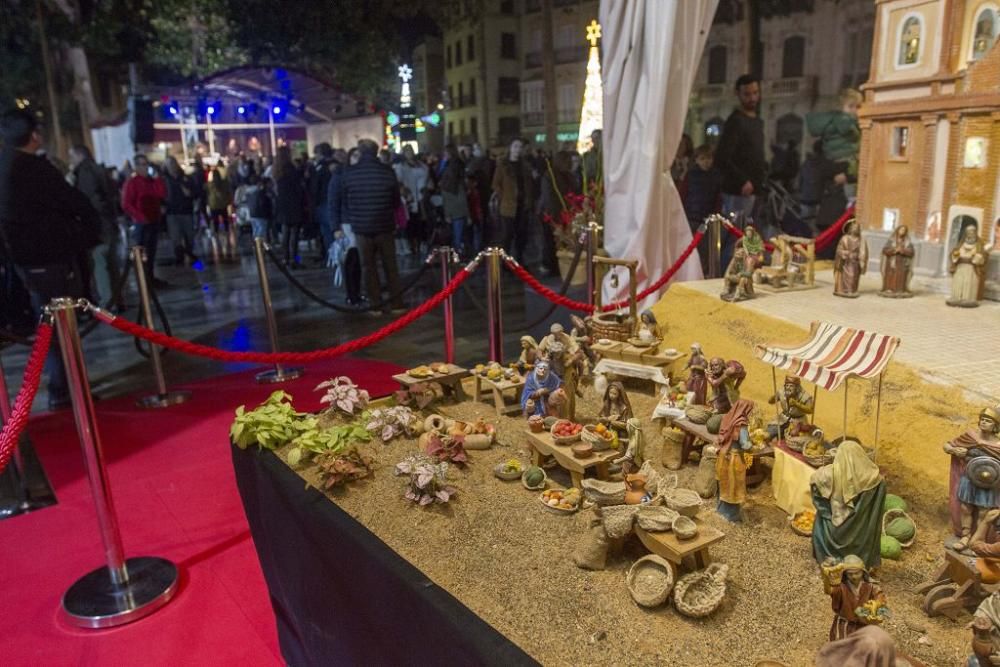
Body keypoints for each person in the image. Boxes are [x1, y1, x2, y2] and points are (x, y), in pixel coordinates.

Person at [0, 109, 101, 409]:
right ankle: (66, 390)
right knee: (59, 326)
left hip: (23, 260)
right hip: (48, 257)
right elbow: (73, 201)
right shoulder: (32, 168)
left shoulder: (6, 165)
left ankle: (64, 387)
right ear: (33, 136)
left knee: (49, 323)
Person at [332, 139, 403, 314]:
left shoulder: (350, 174)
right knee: (390, 265)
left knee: (368, 267)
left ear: (361, 152)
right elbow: (396, 200)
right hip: (385, 224)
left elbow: (345, 201)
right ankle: (396, 303)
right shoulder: (387, 172)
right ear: (376, 152)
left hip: (361, 226)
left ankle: (375, 304)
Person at [811, 441, 887, 569]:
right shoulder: (874, 479)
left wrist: (827, 512)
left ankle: (829, 556)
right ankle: (857, 561)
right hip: (860, 531)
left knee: (820, 520)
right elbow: (877, 506)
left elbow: (815, 484)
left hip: (833, 528)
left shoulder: (827, 474)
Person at [68, 145, 120, 309]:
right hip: (108, 222)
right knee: (111, 264)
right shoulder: (99, 169)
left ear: (79, 155)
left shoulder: (85, 173)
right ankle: (117, 299)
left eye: (72, 156)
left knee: (100, 264)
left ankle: (108, 301)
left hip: (98, 224)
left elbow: (91, 200)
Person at [944, 406, 1000, 549]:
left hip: (988, 485)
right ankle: (965, 537)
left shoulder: (998, 445)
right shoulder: (970, 437)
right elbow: (947, 445)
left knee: (983, 513)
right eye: (982, 419)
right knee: (965, 508)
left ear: (995, 426)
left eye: (988, 421)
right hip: (969, 480)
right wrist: (955, 450)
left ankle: (978, 542)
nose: (983, 422)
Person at [715, 74, 766, 229]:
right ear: (738, 94)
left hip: (754, 190)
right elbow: (722, 157)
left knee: (747, 236)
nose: (752, 98)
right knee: (734, 235)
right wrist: (742, 181)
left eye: (755, 93)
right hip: (738, 193)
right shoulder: (735, 122)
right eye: (747, 94)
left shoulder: (757, 121)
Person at [121, 153, 167, 286]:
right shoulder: (132, 183)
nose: (145, 167)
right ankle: (144, 280)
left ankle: (150, 278)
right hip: (142, 223)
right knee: (143, 253)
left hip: (153, 220)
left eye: (146, 164)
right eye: (142, 164)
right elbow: (126, 204)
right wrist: (140, 217)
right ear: (136, 166)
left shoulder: (151, 181)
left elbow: (161, 194)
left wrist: (158, 179)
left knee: (151, 252)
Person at [820, 554, 888, 641]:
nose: (854, 576)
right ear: (845, 574)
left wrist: (876, 606)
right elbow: (829, 591)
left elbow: (880, 597)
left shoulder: (870, 586)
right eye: (850, 574)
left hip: (864, 624)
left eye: (857, 573)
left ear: (863, 572)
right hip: (845, 624)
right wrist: (826, 579)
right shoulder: (842, 587)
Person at [491, 137, 535, 265]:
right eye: (515, 146)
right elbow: (495, 184)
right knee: (507, 235)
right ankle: (504, 261)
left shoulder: (525, 166)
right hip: (508, 206)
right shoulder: (503, 164)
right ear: (510, 148)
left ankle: (519, 260)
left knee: (521, 235)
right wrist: (504, 196)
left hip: (523, 205)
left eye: (520, 147)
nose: (517, 150)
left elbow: (529, 184)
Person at [327, 150, 362, 306]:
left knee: (358, 260)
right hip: (346, 222)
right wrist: (335, 227)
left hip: (359, 221)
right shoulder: (339, 176)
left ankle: (357, 292)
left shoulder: (358, 175)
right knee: (351, 258)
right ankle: (352, 293)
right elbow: (333, 203)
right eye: (354, 156)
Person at [714, 399, 756, 522]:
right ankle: (730, 515)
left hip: (723, 456)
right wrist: (752, 445)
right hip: (734, 458)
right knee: (733, 486)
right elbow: (745, 444)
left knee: (723, 483)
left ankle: (720, 509)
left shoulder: (727, 419)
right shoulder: (741, 424)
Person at [683, 145, 722, 275]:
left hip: (706, 218)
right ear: (697, 160)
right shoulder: (691, 175)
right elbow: (683, 194)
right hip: (690, 217)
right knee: (689, 249)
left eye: (709, 158)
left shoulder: (716, 176)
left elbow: (717, 198)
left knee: (705, 251)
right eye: (703, 158)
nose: (706, 161)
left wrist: (716, 213)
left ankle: (703, 272)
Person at [539, 150, 577, 278]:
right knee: (550, 240)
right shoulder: (550, 175)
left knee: (560, 241)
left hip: (564, 212)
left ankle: (559, 265)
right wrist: (556, 216)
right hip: (552, 213)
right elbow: (549, 197)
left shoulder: (568, 175)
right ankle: (549, 265)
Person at [272, 146, 306, 267]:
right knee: (294, 234)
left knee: (285, 233)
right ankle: (295, 259)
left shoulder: (277, 170)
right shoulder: (290, 169)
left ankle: (285, 258)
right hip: (293, 203)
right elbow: (298, 185)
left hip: (282, 204)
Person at [162, 156, 198, 266]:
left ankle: (189, 252)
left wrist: (190, 193)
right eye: (169, 165)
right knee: (175, 236)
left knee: (189, 235)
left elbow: (195, 192)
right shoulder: (164, 180)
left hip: (186, 210)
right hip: (172, 212)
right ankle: (180, 256)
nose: (172, 167)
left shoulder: (185, 178)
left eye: (173, 164)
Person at [394, 145, 429, 255]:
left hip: (422, 197)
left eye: (411, 151)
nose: (410, 153)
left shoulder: (422, 166)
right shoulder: (401, 167)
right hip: (409, 198)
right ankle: (413, 244)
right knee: (411, 222)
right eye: (407, 151)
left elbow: (427, 177)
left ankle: (422, 243)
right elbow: (399, 182)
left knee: (422, 221)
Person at [438, 145, 470, 258]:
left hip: (455, 206)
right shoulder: (455, 166)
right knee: (458, 233)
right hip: (456, 207)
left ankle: (458, 254)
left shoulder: (451, 170)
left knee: (458, 233)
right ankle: (459, 253)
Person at [947, 225, 990, 308]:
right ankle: (956, 298)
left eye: (972, 232)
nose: (970, 234)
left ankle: (968, 300)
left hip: (971, 269)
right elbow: (955, 253)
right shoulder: (961, 243)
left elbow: (983, 257)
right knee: (958, 283)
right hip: (960, 267)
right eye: (968, 232)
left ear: (975, 233)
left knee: (969, 284)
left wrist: (977, 257)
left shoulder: (979, 244)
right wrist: (955, 255)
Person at [308, 143, 335, 260]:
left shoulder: (320, 167)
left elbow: (315, 187)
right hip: (330, 201)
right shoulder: (336, 165)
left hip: (323, 202)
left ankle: (331, 256)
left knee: (327, 232)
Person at [767, 375, 815, 439]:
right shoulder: (781, 392)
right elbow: (770, 401)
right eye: (787, 385)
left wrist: (797, 404)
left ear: (797, 388)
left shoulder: (806, 396)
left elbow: (810, 410)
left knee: (794, 437)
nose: (788, 388)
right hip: (783, 419)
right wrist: (774, 397)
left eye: (791, 386)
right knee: (769, 432)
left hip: (799, 422)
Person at [833, 220, 868, 298]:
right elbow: (839, 250)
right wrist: (845, 253)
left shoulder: (861, 240)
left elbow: (863, 251)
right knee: (848, 276)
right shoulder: (844, 238)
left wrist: (861, 258)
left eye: (857, 228)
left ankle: (852, 290)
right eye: (854, 227)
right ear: (850, 229)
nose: (855, 229)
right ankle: (845, 290)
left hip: (855, 262)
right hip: (846, 262)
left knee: (854, 277)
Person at [879, 224, 915, 298]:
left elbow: (911, 252)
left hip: (903, 263)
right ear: (897, 230)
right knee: (890, 276)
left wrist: (902, 250)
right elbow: (885, 250)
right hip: (892, 263)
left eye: (904, 230)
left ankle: (900, 290)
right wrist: (894, 250)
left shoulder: (907, 242)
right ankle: (889, 289)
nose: (902, 232)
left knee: (901, 277)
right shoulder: (891, 240)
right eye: (901, 230)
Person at [234, 169, 271, 241]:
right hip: (260, 214)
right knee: (262, 232)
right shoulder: (259, 191)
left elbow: (236, 202)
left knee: (256, 232)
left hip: (249, 215)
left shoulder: (243, 191)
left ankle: (257, 246)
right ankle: (262, 248)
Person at [206, 166, 233, 258]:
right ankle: (225, 232)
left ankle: (217, 233)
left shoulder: (210, 184)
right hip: (222, 203)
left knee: (216, 220)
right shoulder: (223, 183)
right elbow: (228, 192)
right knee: (224, 219)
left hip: (215, 204)